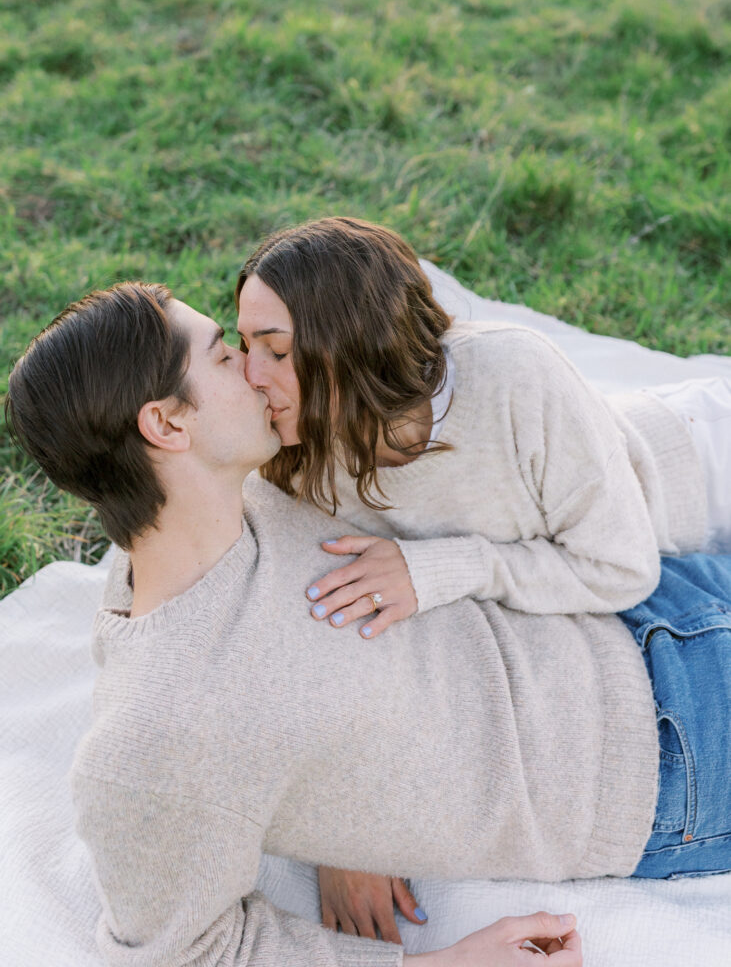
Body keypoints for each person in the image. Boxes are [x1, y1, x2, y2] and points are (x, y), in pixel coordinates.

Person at [5, 283, 731, 967]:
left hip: (636, 603)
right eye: (225, 356)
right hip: (670, 759)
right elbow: (187, 953)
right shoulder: (151, 741)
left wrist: (344, 840)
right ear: (165, 424)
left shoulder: (248, 495)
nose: (259, 373)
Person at [235, 216, 731, 937]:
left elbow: (620, 570)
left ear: (347, 347)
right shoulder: (292, 457)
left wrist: (440, 567)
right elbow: (290, 636)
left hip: (694, 485)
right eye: (244, 345)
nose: (252, 375)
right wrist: (339, 836)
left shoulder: (511, 376)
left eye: (274, 351)